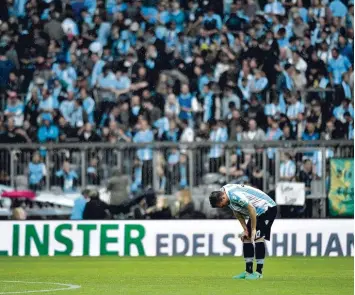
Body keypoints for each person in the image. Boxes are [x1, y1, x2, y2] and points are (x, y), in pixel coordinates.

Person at [209, 184, 277, 280]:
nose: (222, 207)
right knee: (246, 237)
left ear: (223, 198)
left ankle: (259, 272)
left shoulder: (234, 195)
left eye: (221, 206)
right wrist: (245, 229)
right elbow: (236, 211)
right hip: (256, 211)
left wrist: (253, 229)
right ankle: (248, 271)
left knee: (257, 237)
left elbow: (251, 209)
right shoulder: (224, 193)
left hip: (267, 208)